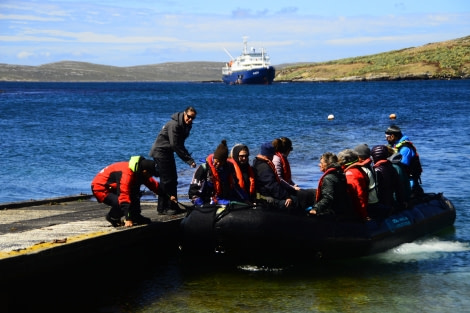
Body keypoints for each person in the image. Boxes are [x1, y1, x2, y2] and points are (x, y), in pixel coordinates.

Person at [149, 107, 197, 215]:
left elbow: (180, 144)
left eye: (192, 118)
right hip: (160, 152)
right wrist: (188, 160)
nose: (190, 119)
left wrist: (189, 158)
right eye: (188, 116)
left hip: (168, 152)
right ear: (184, 114)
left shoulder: (186, 126)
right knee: (166, 181)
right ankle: (162, 208)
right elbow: (175, 145)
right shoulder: (174, 125)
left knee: (173, 179)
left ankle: (173, 205)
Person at [91, 156, 162, 227]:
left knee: (135, 192)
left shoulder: (140, 171)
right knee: (120, 203)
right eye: (151, 174)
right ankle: (112, 217)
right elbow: (123, 195)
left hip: (113, 187)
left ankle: (136, 216)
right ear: (145, 172)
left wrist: (169, 195)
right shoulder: (127, 174)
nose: (151, 176)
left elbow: (154, 186)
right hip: (101, 188)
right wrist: (128, 219)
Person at [188, 140, 250, 205]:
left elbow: (235, 186)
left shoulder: (229, 168)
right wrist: (200, 203)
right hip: (207, 201)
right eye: (215, 161)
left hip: (223, 199)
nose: (216, 164)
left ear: (224, 161)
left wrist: (245, 199)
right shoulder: (203, 169)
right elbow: (193, 193)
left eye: (219, 162)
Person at [252, 141, 303, 213]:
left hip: (268, 193)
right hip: (266, 196)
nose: (273, 157)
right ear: (269, 155)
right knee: (294, 201)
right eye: (272, 155)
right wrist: (286, 196)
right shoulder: (264, 167)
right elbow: (272, 186)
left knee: (294, 197)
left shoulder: (259, 162)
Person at [272, 137, 316, 212]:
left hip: (287, 187)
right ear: (288, 149)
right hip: (282, 189)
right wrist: (292, 187)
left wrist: (293, 184)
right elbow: (279, 178)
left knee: (310, 192)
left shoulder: (283, 158)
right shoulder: (277, 159)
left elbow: (287, 178)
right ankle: (303, 213)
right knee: (304, 195)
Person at [308, 152, 352, 217]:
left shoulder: (328, 178)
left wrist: (316, 209)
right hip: (342, 208)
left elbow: (328, 198)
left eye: (321, 163)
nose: (319, 165)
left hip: (334, 212)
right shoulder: (340, 173)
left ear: (327, 164)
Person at [385, 125, 423, 197]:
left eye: (387, 136)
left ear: (392, 136)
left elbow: (402, 168)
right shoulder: (395, 145)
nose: (385, 138)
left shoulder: (405, 149)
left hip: (409, 182)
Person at [370, 145, 406, 219]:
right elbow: (399, 187)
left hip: (382, 205)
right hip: (391, 202)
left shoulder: (376, 170)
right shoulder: (392, 168)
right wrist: (402, 202)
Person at [337, 149, 370, 221]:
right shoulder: (358, 169)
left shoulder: (350, 174)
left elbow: (360, 196)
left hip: (356, 212)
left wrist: (363, 215)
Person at [354, 144, 379, 208]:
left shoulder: (363, 170)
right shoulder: (371, 167)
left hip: (370, 202)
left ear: (360, 158)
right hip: (375, 199)